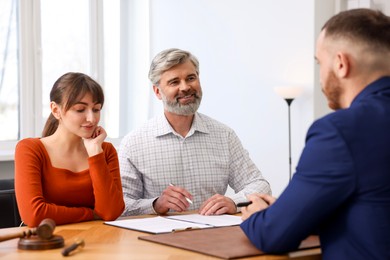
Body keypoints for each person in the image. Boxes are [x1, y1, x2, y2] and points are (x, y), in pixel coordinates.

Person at [240, 8, 390, 259]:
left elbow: (273, 235)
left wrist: (259, 217)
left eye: (320, 63)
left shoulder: (339, 131)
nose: (320, 76)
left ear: (341, 64)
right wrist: (291, 211)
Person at [119, 48, 271, 216]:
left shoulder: (224, 135)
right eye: (174, 82)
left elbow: (259, 185)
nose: (185, 87)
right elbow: (121, 204)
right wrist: (156, 204)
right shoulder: (134, 142)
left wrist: (233, 202)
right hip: (155, 239)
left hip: (214, 235)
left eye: (191, 78)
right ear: (157, 92)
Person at [15, 72, 125, 227]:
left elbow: (110, 212)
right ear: (55, 110)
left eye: (96, 109)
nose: (91, 119)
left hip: (99, 242)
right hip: (49, 244)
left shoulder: (104, 151)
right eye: (80, 110)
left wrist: (95, 154)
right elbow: (34, 215)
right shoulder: (30, 149)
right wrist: (91, 213)